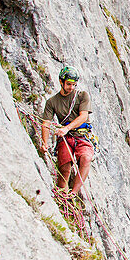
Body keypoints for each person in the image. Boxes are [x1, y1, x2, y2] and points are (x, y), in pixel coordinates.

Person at [39, 65, 94, 199]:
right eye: (69, 84)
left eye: (74, 84)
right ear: (61, 81)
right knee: (64, 169)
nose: (71, 88)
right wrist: (45, 143)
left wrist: (66, 128)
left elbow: (83, 116)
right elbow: (46, 123)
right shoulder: (52, 102)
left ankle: (73, 193)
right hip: (66, 137)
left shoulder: (82, 96)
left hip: (81, 135)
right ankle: (62, 197)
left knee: (86, 158)